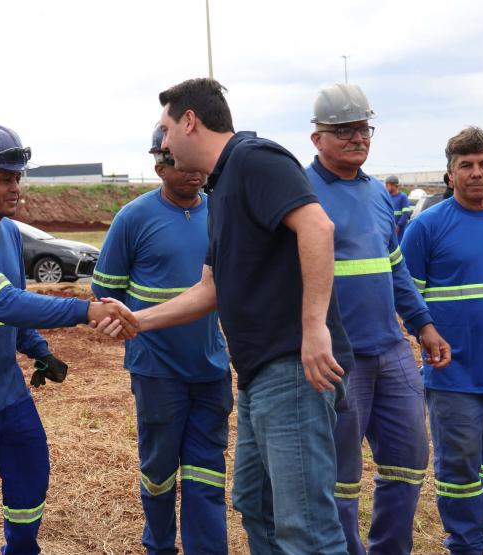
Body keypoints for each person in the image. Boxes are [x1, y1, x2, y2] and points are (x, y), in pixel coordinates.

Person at [100, 77, 353, 553]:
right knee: (256, 505)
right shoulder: (221, 191)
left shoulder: (256, 159)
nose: (166, 143)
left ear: (190, 121)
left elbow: (318, 227)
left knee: (305, 527)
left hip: (293, 370)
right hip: (256, 376)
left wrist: (315, 327)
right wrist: (139, 320)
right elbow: (210, 290)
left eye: (166, 129)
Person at [0, 124, 137, 555]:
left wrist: (40, 352)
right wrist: (87, 310)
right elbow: (3, 303)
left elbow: (18, 311)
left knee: (30, 478)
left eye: (19, 177)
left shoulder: (6, 232)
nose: (16, 187)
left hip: (8, 392)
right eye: (6, 178)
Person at [306, 82, 451, 554]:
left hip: (391, 351)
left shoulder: (376, 193)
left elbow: (395, 268)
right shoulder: (301, 194)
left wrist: (423, 325)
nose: (357, 138)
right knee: (341, 476)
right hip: (338, 357)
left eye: (363, 128)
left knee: (410, 460)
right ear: (317, 139)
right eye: (343, 130)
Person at [91, 123, 231, 554]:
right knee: (159, 471)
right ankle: (160, 546)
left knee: (206, 472)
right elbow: (104, 292)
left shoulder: (220, 211)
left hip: (211, 367)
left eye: (196, 165)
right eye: (179, 164)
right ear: (159, 164)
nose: (193, 173)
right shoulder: (134, 217)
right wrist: (120, 323)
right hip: (156, 370)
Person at [401, 127, 483, 555]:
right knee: (459, 465)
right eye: (466, 165)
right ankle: (466, 543)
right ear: (450, 174)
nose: (477, 172)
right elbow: (406, 295)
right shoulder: (426, 228)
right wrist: (426, 332)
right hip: (452, 372)